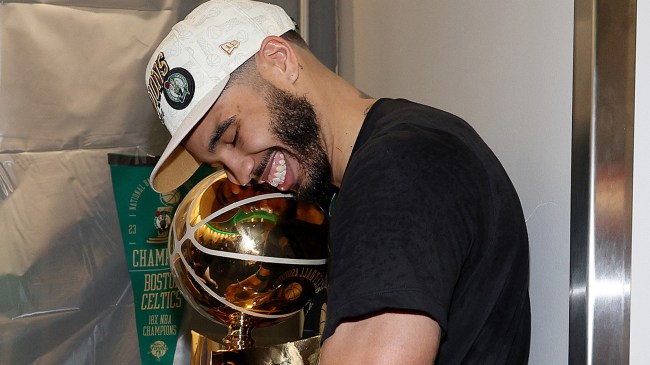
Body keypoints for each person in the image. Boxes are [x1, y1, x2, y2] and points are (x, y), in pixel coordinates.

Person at [145, 0, 531, 363]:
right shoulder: (375, 169)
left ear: (280, 61)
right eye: (217, 165)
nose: (241, 176)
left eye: (231, 137)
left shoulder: (395, 170)